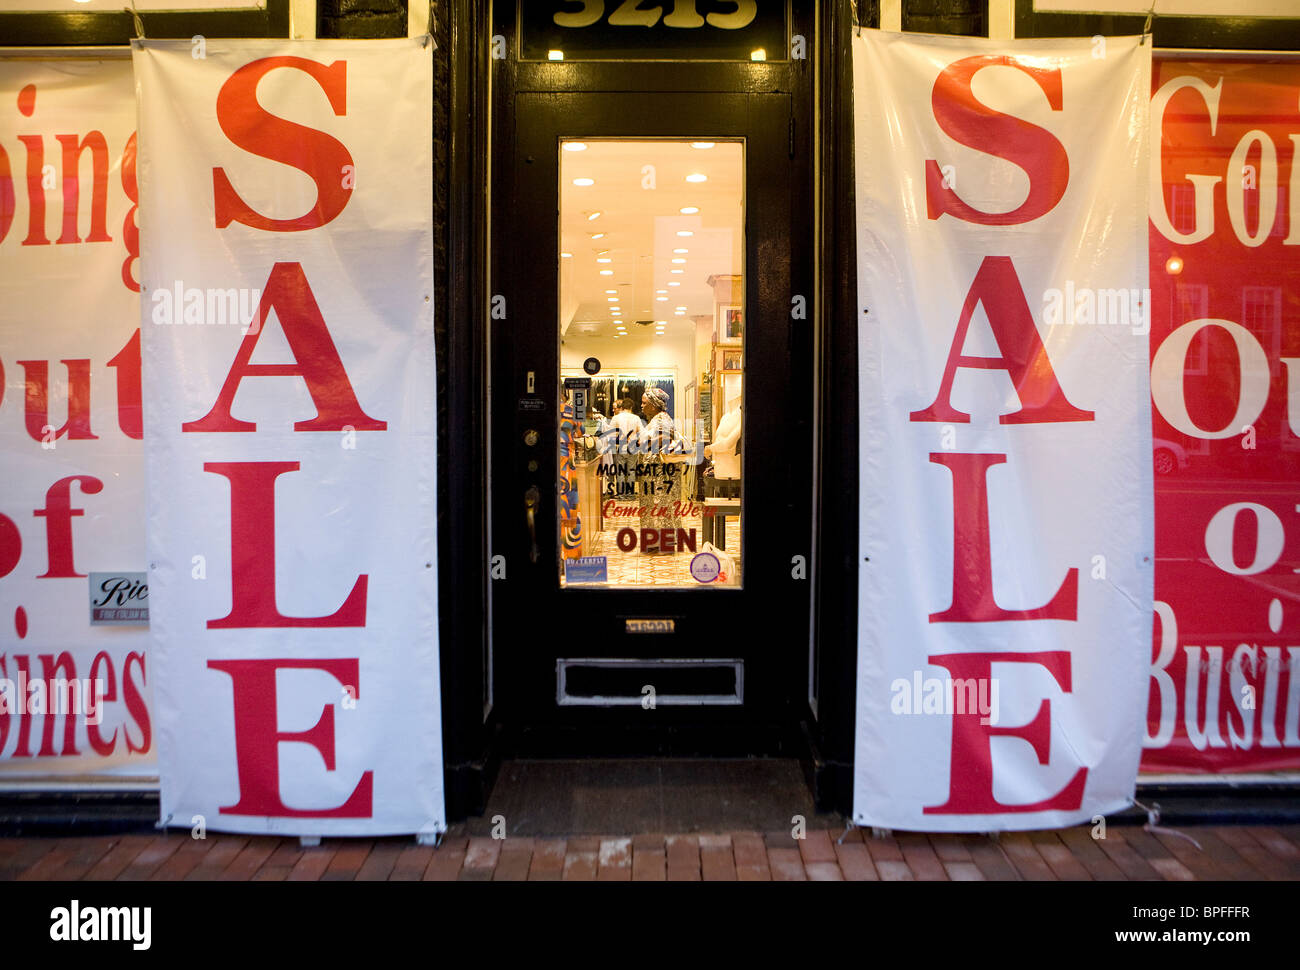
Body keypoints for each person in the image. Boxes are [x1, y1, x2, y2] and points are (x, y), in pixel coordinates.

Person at [637, 387, 686, 547]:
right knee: (657, 504)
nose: (641, 406)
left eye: (644, 403)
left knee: (661, 504)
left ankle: (662, 541)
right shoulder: (657, 419)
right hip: (655, 473)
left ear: (653, 404)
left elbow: (665, 437)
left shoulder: (661, 419)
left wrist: (644, 443)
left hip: (660, 474)